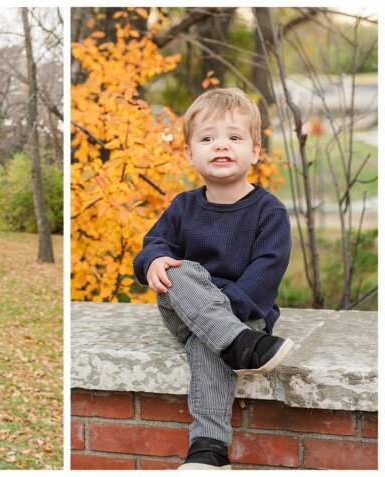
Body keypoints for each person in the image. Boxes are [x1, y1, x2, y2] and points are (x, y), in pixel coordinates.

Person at [132, 87, 293, 470]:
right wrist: (154, 260)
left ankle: (208, 451)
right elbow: (151, 247)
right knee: (178, 268)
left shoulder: (269, 211)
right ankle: (237, 344)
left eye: (234, 138)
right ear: (190, 153)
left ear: (255, 150)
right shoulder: (183, 206)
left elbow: (267, 270)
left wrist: (225, 318)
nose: (221, 146)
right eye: (207, 138)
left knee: (210, 346)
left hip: (246, 316)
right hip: (190, 313)